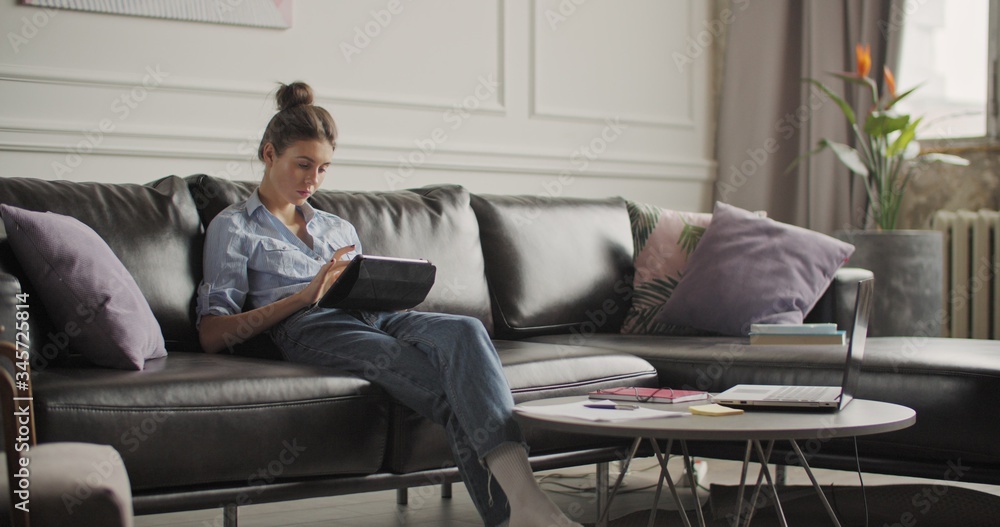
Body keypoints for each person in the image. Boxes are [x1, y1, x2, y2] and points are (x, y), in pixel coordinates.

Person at [196, 81, 583, 527]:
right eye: (303, 165)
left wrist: (387, 284)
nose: (313, 180)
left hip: (376, 313)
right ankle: (524, 508)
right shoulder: (235, 227)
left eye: (323, 169)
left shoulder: (337, 227)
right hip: (308, 326)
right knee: (452, 389)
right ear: (268, 154)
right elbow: (212, 334)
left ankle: (520, 512)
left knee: (466, 330)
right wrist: (304, 296)